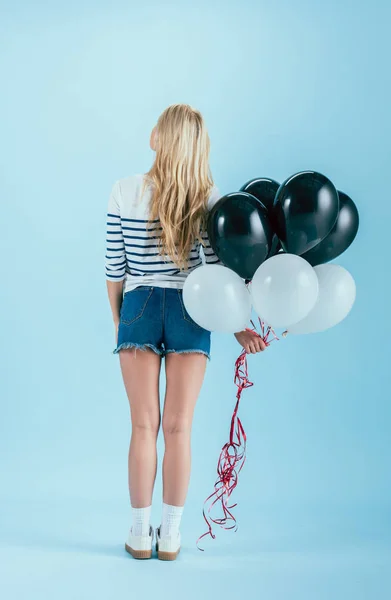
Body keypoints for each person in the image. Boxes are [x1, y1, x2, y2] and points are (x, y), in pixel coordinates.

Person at [105, 104, 266, 561]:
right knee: (179, 428)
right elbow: (216, 274)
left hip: (138, 305)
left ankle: (140, 535)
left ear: (161, 138)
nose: (150, 130)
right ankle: (171, 537)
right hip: (192, 309)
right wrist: (238, 328)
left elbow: (115, 269)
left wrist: (120, 321)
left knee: (143, 426)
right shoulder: (210, 200)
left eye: (157, 125)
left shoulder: (124, 190)